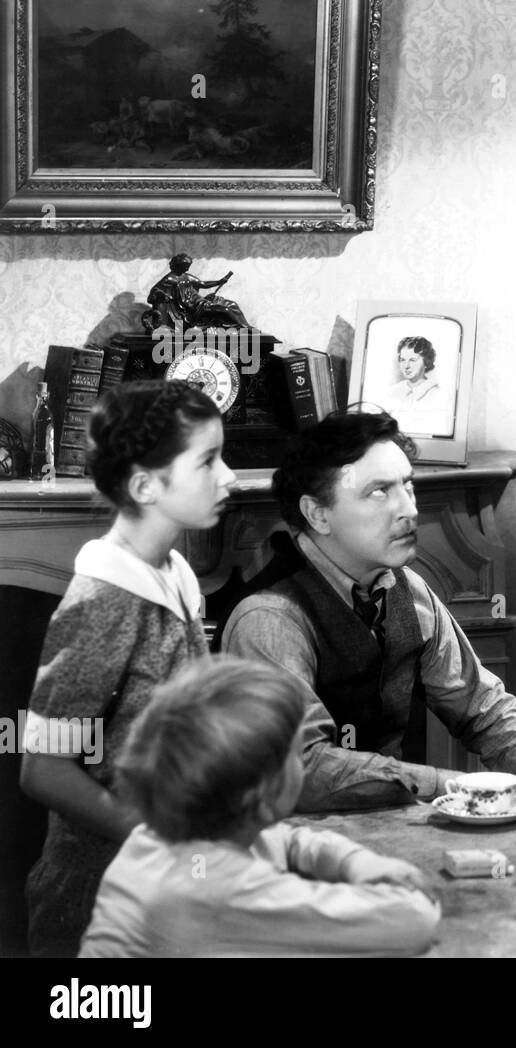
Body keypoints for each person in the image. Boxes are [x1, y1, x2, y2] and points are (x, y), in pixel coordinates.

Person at [221, 410, 516, 809]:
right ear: (317, 514)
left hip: (388, 825)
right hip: (286, 841)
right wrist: (447, 785)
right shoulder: (269, 617)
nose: (409, 510)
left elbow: (485, 712)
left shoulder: (407, 589)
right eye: (379, 492)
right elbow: (301, 769)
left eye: (408, 486)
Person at [21, 380, 236, 956]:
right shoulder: (100, 603)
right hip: (99, 903)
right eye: (209, 461)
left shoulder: (177, 578)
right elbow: (42, 770)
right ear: (145, 484)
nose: (230, 477)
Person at [79, 657, 441, 957]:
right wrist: (388, 882)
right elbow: (411, 921)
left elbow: (284, 839)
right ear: (263, 794)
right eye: (296, 752)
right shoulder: (221, 890)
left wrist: (358, 862)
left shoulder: (165, 835)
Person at [387, 335, 439, 408]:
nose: (406, 366)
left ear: (426, 362)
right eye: (403, 360)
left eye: (412, 360)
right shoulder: (392, 392)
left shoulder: (435, 393)